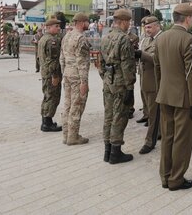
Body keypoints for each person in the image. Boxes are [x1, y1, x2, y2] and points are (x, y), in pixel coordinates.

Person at [154, 3, 192, 191]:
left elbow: (157, 68)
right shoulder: (190, 39)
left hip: (164, 95)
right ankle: (176, 179)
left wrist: (161, 91)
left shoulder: (161, 38)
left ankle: (165, 176)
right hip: (184, 99)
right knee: (182, 139)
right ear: (188, 18)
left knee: (167, 137)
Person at [99, 9, 136, 164]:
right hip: (120, 83)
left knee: (108, 115)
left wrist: (106, 77)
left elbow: (100, 63)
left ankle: (107, 151)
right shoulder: (124, 39)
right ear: (123, 21)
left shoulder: (106, 37)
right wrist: (130, 87)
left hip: (108, 81)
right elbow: (127, 66)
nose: (129, 25)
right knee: (119, 116)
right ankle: (115, 153)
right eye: (128, 22)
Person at [60, 13, 91, 145]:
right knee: (76, 105)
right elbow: (82, 62)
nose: (88, 24)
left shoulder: (66, 36)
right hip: (77, 76)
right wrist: (84, 82)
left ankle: (66, 135)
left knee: (67, 105)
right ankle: (73, 136)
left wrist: (64, 73)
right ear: (82, 22)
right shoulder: (81, 38)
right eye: (87, 22)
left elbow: (62, 58)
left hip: (67, 74)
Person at [135, 16, 162, 155]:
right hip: (145, 80)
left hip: (155, 82)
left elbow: (155, 59)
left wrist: (140, 54)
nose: (147, 30)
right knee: (152, 111)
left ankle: (150, 141)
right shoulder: (145, 39)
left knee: (154, 113)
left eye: (149, 27)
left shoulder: (161, 39)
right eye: (145, 28)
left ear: (157, 26)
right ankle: (160, 132)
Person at [38, 17, 63, 132]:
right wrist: (55, 75)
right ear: (48, 27)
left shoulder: (43, 38)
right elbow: (52, 60)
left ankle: (46, 121)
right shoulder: (51, 41)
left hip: (45, 73)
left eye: (59, 26)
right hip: (51, 74)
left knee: (47, 96)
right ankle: (47, 123)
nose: (59, 28)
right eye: (56, 26)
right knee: (52, 98)